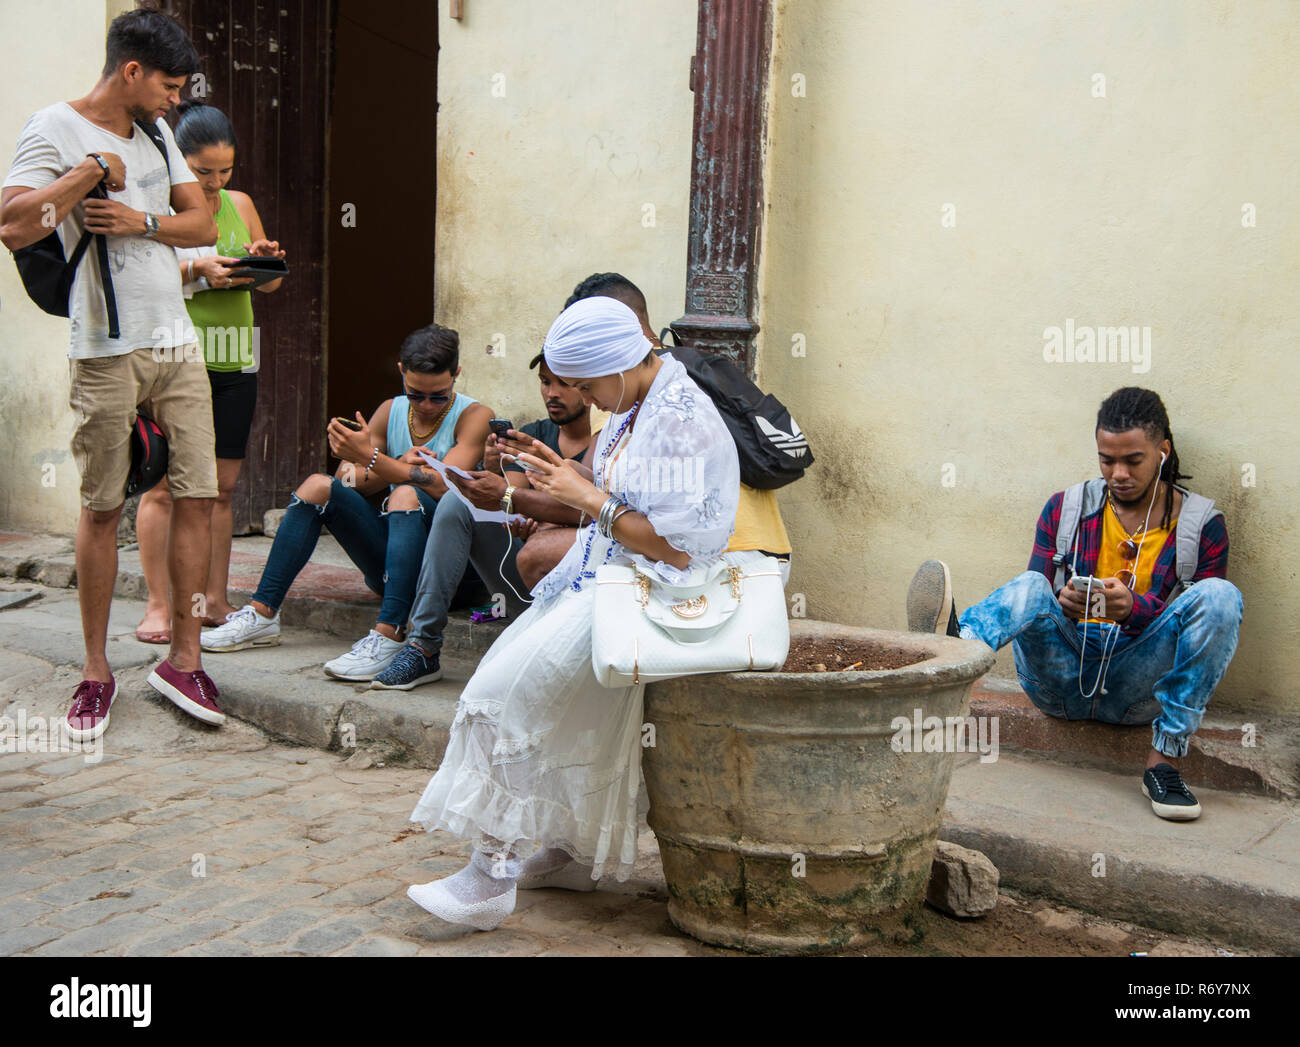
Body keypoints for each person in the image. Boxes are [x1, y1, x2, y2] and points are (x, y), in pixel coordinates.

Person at [404, 296, 741, 931]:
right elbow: (614, 496)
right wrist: (558, 473)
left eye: (585, 383)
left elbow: (674, 546)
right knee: (564, 707)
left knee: (507, 695)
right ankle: (571, 856)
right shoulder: (634, 402)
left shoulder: (679, 417)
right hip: (602, 575)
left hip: (653, 589)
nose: (582, 395)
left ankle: (489, 879)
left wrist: (587, 497)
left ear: (619, 364)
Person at [0, 9, 225, 738]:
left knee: (197, 496)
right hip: (103, 346)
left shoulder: (161, 133)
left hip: (177, 343)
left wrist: (142, 223)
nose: (175, 101)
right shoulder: (56, 128)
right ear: (130, 71)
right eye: (166, 85)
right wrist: (91, 172)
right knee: (102, 506)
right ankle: (96, 670)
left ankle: (184, 657)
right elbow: (14, 222)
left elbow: (203, 225)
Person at [906, 387, 1243, 822]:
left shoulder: (1203, 526)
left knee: (1221, 598)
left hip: (1138, 693)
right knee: (1032, 585)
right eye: (1107, 459)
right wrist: (1065, 604)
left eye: (1133, 460)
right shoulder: (1065, 509)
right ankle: (953, 652)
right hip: (1060, 679)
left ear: (1162, 451)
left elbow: (1202, 636)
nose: (1118, 473)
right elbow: (1036, 601)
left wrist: (1134, 611)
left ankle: (1164, 766)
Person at [201, 323, 493, 681]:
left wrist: (381, 462)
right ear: (401, 372)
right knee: (316, 486)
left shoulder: (475, 416)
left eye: (439, 396)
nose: (427, 405)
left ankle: (391, 634)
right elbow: (348, 480)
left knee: (407, 493)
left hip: (452, 578)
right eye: (416, 394)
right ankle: (262, 614)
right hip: (392, 567)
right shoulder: (391, 410)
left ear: (457, 376)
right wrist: (393, 464)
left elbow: (450, 487)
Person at [134, 102, 286, 644]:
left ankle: (213, 599)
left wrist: (262, 261)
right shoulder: (157, 203)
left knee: (221, 490)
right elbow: (138, 277)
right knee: (165, 490)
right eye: (204, 172)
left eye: (225, 170)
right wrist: (198, 270)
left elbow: (268, 286)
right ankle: (157, 605)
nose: (216, 182)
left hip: (235, 355)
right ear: (179, 161)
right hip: (177, 358)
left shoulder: (238, 204)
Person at [369, 348, 595, 690]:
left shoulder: (606, 444)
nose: (552, 393)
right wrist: (493, 469)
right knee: (458, 502)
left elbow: (594, 512)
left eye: (564, 384)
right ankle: (422, 646)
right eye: (545, 382)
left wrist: (536, 514)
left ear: (589, 388)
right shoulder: (532, 435)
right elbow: (511, 496)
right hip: (523, 582)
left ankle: (482, 619)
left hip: (579, 598)